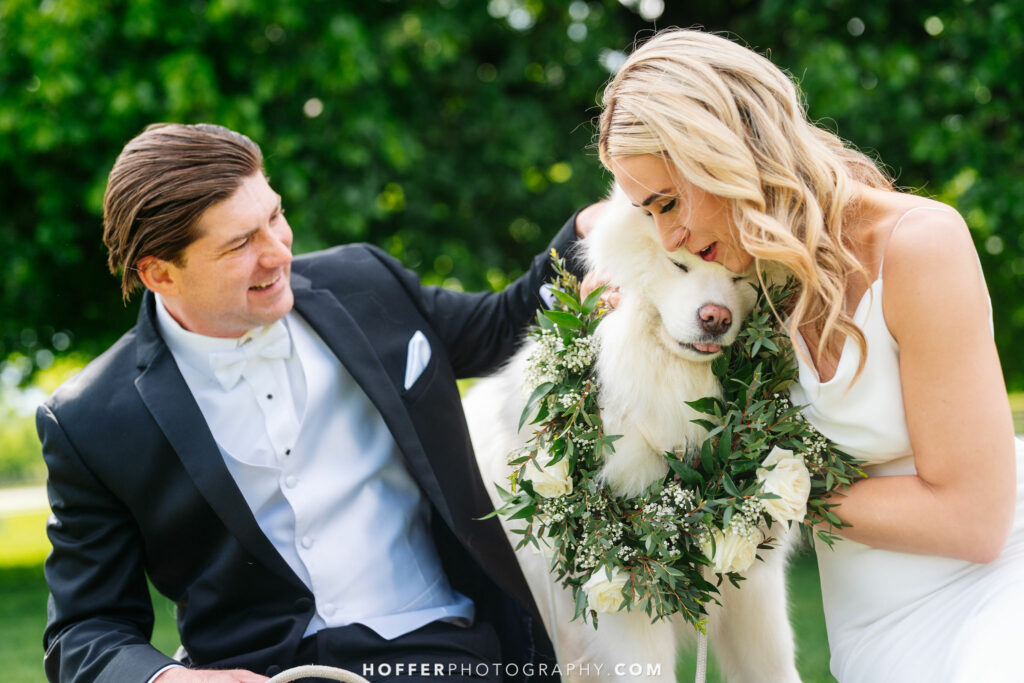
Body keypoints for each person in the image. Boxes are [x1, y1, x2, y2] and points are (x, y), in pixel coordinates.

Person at [38, 123, 596, 683]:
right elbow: (83, 630)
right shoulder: (90, 420)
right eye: (240, 244)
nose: (278, 252)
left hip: (439, 650)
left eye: (274, 217)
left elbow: (503, 325)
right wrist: (172, 681)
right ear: (160, 273)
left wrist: (588, 234)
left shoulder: (364, 282)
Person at [595, 29, 1024, 682]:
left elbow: (974, 518)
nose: (668, 235)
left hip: (991, 593)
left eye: (670, 202)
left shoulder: (919, 246)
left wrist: (759, 489)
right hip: (870, 626)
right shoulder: (748, 284)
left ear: (725, 153)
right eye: (648, 212)